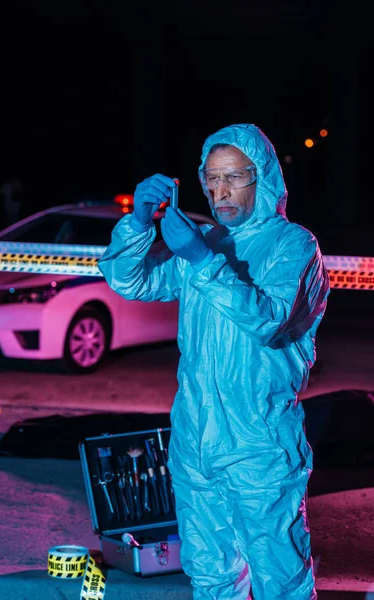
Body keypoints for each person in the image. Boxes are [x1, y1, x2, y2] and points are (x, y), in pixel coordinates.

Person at [98, 123, 330, 599]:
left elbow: (268, 319)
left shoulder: (294, 246)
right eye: (211, 178)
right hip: (195, 443)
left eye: (234, 178)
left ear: (261, 177)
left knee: (279, 579)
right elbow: (130, 281)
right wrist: (138, 224)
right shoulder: (206, 242)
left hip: (259, 446)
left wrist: (202, 261)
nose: (219, 191)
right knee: (210, 576)